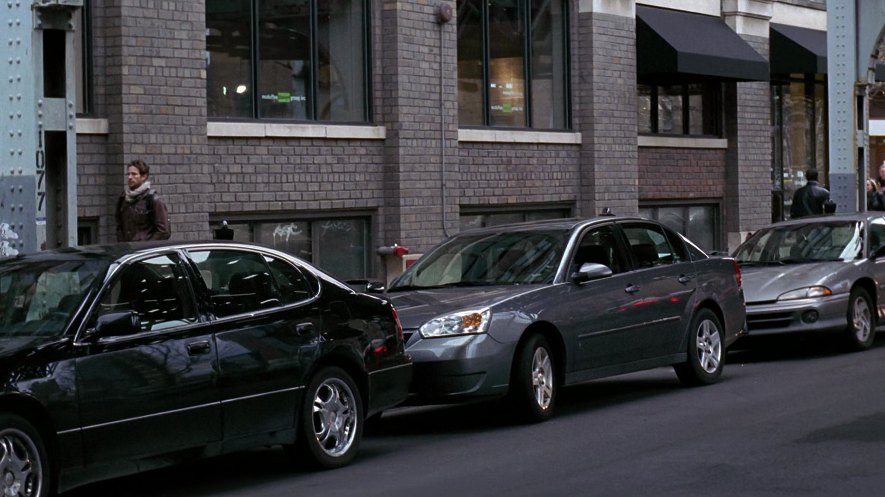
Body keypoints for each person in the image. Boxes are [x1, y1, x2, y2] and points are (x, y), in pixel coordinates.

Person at [116, 159, 171, 241]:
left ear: (144, 177)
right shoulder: (123, 199)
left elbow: (163, 232)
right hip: (128, 250)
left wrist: (145, 247)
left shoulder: (153, 200)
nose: (130, 177)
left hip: (145, 251)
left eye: (134, 174)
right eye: (128, 174)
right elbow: (119, 226)